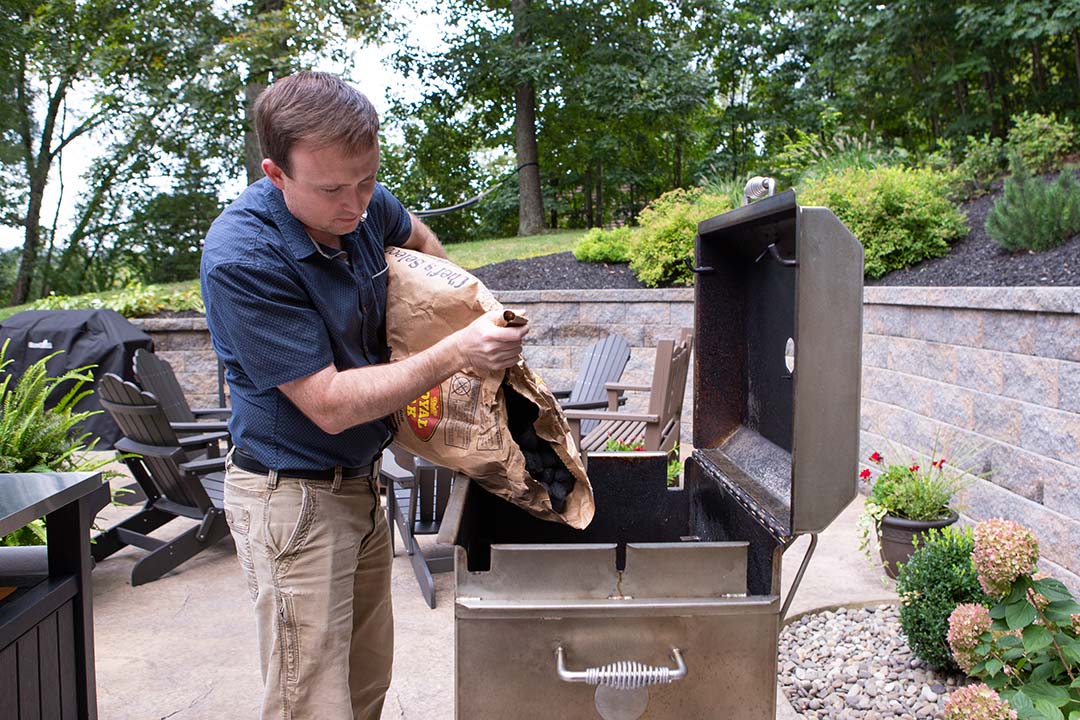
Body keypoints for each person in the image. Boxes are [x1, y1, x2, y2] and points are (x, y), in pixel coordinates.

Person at [200, 71, 527, 720]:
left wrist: (461, 312)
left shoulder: (363, 203)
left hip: (359, 486)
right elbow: (327, 401)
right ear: (275, 173)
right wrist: (454, 353)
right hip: (290, 499)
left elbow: (424, 245)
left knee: (365, 687)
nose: (355, 206)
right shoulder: (243, 256)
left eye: (366, 180)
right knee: (311, 703)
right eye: (331, 189)